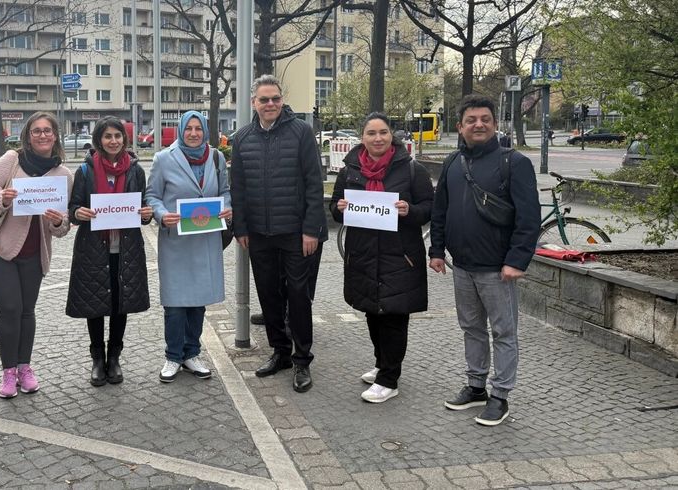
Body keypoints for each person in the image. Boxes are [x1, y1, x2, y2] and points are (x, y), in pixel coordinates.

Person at [429, 95, 541, 426]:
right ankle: (476, 386)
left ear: (494, 124)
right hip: (461, 266)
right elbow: (440, 210)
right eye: (471, 120)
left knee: (504, 332)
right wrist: (437, 250)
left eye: (485, 119)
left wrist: (516, 260)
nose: (479, 124)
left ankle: (500, 395)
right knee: (471, 328)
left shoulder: (514, 162)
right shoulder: (452, 162)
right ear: (460, 126)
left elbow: (528, 219)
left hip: (498, 269)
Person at [230, 74, 327, 393]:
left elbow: (314, 183)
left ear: (282, 100)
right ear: (253, 103)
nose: (270, 104)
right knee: (269, 295)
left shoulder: (301, 132)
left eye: (275, 98)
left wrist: (311, 229)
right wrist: (241, 228)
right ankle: (280, 352)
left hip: (296, 234)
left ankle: (302, 360)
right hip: (258, 234)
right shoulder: (242, 138)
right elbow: (238, 188)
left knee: (298, 297)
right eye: (263, 99)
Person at [330, 112, 434, 403]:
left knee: (394, 316)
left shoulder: (412, 170)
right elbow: (335, 211)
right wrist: (340, 207)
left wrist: (409, 211)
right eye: (371, 133)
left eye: (383, 133)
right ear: (362, 138)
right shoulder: (350, 170)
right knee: (373, 312)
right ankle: (381, 364)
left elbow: (429, 207)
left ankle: (390, 378)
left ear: (392, 136)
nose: (378, 138)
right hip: (363, 254)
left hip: (399, 255)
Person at [0, 112, 72, 398]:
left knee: (27, 311)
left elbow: (62, 226)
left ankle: (24, 368)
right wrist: (2, 199)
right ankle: (8, 372)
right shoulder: (11, 160)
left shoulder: (63, 175)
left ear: (55, 136)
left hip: (34, 252)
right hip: (0, 250)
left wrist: (56, 221)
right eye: (36, 131)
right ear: (28, 136)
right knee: (9, 309)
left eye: (48, 131)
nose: (42, 135)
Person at [145, 111, 232, 383]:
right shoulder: (163, 159)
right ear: (180, 131)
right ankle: (173, 356)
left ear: (205, 131)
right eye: (188, 129)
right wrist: (160, 214)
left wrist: (227, 208)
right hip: (177, 240)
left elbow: (226, 192)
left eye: (198, 129)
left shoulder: (216, 158)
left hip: (205, 238)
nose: (193, 134)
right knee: (175, 302)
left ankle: (192, 353)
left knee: (198, 300)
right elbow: (153, 195)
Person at [66, 116, 153, 386]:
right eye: (108, 136)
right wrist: (77, 212)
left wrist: (147, 214)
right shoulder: (85, 171)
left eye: (118, 136)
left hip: (126, 247)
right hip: (94, 247)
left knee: (120, 301)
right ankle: (97, 358)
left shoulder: (136, 171)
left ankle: (114, 357)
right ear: (99, 140)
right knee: (94, 303)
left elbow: (143, 206)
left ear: (124, 140)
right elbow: (73, 208)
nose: (113, 141)